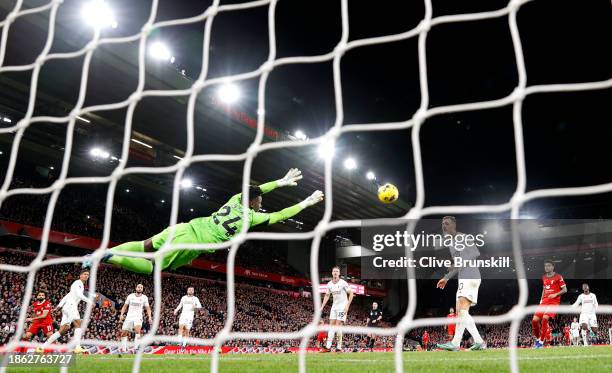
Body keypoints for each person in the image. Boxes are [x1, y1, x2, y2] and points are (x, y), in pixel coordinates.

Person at [83, 169, 323, 274]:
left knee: (145, 245)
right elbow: (281, 214)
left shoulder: (235, 200)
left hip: (184, 227)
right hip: (193, 243)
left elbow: (255, 189)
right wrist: (306, 203)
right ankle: (110, 257)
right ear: (254, 203)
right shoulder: (252, 218)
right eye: (259, 200)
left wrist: (279, 183)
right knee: (155, 267)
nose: (261, 201)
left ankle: (104, 252)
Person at [435, 216, 485, 351]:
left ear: (454, 224)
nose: (444, 226)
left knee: (462, 311)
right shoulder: (451, 244)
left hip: (471, 275)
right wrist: (446, 277)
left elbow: (475, 252)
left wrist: (460, 263)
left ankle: (456, 343)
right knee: (460, 312)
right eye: (442, 224)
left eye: (447, 223)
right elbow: (458, 265)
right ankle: (478, 341)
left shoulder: (463, 237)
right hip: (463, 277)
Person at [43, 270, 93, 352]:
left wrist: (59, 306)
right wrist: (90, 301)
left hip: (66, 307)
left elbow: (67, 296)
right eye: (84, 274)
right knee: (78, 324)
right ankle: (77, 347)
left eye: (87, 275)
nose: (86, 276)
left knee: (63, 330)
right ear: (80, 275)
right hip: (71, 306)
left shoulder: (77, 285)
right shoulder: (78, 283)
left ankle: (43, 346)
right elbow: (79, 295)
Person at [532, 260, 566, 349]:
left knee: (544, 319)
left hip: (554, 302)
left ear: (553, 267)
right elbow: (544, 289)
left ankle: (541, 342)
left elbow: (564, 290)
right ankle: (538, 338)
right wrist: (541, 299)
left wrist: (555, 294)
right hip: (544, 301)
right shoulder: (543, 277)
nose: (546, 267)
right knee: (534, 321)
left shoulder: (558, 276)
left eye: (548, 265)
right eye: (545, 266)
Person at [320, 266, 354, 352]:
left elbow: (351, 294)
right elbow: (327, 295)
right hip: (334, 307)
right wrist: (322, 306)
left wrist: (347, 306)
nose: (335, 273)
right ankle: (328, 347)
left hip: (342, 307)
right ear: (332, 273)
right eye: (334, 271)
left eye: (337, 271)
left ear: (339, 273)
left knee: (338, 326)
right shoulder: (329, 284)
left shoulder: (343, 283)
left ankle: (339, 347)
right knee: (331, 326)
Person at [119, 284, 152, 352]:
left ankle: (136, 349)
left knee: (137, 331)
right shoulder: (130, 296)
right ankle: (124, 349)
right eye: (138, 287)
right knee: (123, 333)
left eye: (141, 287)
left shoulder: (144, 297)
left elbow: (148, 308)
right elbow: (125, 306)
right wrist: (121, 315)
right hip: (129, 317)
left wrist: (150, 317)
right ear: (136, 288)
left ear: (142, 289)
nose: (140, 288)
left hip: (138, 317)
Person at [173, 286, 202, 352]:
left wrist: (196, 306)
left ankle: (184, 345)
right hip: (183, 315)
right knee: (181, 328)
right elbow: (180, 305)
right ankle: (179, 342)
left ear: (193, 291)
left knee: (187, 331)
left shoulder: (195, 299)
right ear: (187, 291)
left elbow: (200, 306)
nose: (191, 291)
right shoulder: (183, 298)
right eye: (189, 290)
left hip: (190, 317)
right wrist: (176, 310)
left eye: (192, 290)